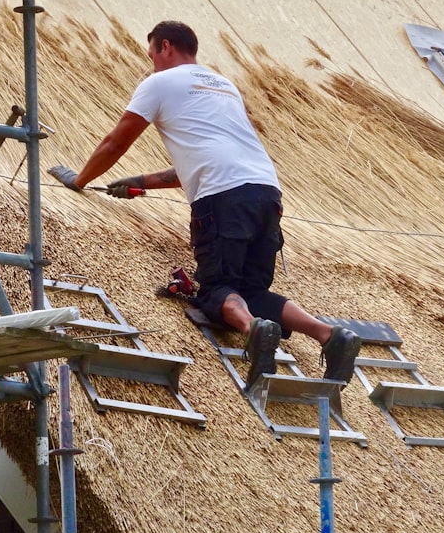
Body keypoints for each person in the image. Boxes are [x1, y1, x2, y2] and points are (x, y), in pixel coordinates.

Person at [48, 20, 361, 392]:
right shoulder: (223, 85)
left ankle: (252, 329)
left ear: (166, 46)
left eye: (152, 56)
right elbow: (207, 158)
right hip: (266, 192)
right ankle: (330, 335)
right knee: (253, 292)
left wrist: (78, 180)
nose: (151, 65)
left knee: (216, 289)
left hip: (222, 197)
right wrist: (142, 181)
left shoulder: (159, 83)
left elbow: (115, 142)